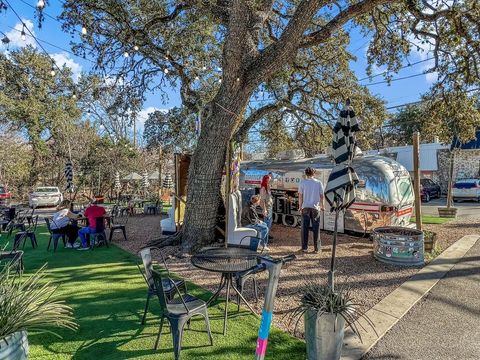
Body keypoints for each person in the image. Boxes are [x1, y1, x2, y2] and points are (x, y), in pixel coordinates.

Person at [298, 167, 324, 253]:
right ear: (314, 173)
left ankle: (305, 248)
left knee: (304, 228)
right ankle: (317, 248)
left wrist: (300, 206)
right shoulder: (318, 183)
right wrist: (322, 206)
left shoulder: (303, 183)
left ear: (306, 173)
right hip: (315, 208)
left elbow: (300, 196)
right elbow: (321, 196)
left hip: (305, 207)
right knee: (316, 228)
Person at [260, 173, 274, 240]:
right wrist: (264, 209)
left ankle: (267, 235)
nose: (270, 181)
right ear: (266, 180)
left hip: (270, 207)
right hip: (267, 208)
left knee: (269, 221)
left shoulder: (267, 187)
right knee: (266, 223)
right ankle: (265, 238)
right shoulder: (263, 189)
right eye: (269, 180)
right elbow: (262, 200)